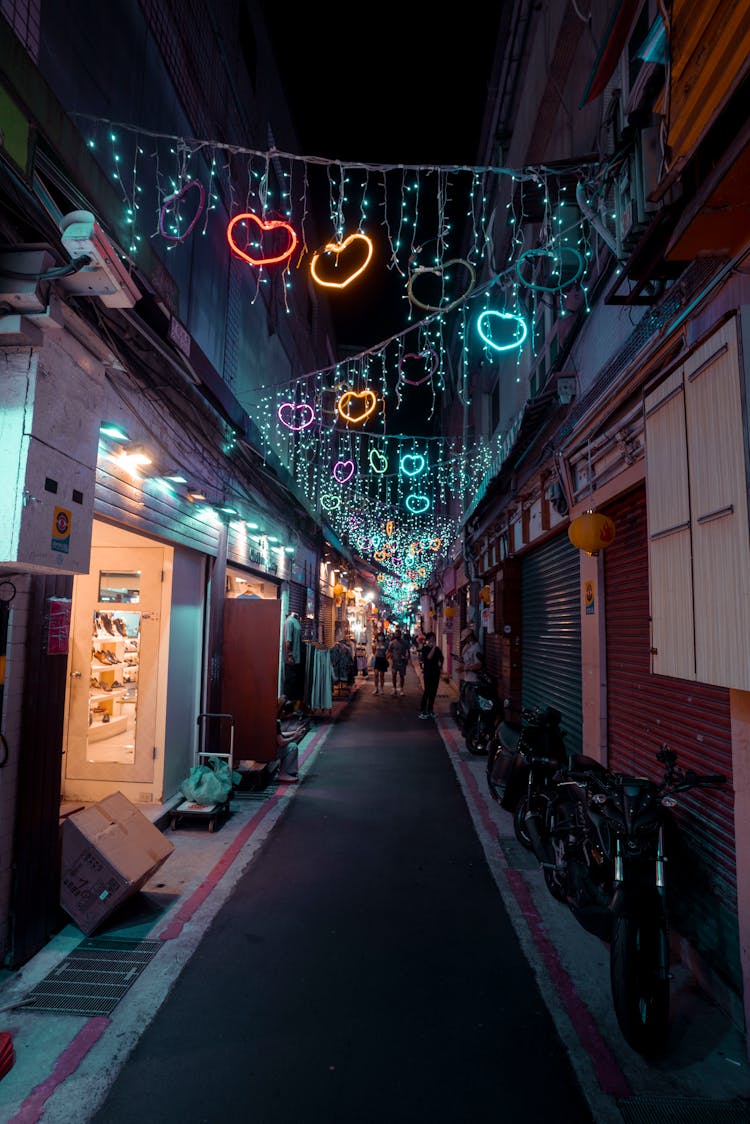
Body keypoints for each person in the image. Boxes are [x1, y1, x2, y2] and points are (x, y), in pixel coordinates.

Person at [275, 696, 306, 783]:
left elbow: (279, 734)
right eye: (289, 715)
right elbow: (281, 742)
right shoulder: (276, 722)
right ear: (283, 712)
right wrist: (294, 737)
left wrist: (294, 732)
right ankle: (283, 774)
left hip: (262, 751)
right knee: (292, 747)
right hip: (268, 753)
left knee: (290, 745)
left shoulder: (272, 718)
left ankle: (287, 772)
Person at [418, 631, 444, 719]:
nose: (433, 640)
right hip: (428, 673)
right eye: (431, 639)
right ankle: (422, 711)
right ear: (428, 640)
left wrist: (440, 664)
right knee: (427, 692)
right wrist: (433, 648)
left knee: (433, 692)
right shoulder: (425, 649)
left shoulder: (437, 649)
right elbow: (429, 657)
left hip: (435, 673)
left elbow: (441, 658)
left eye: (434, 639)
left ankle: (430, 710)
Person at [459, 625, 482, 713]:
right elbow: (468, 661)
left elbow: (478, 665)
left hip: (473, 680)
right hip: (468, 679)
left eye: (466, 639)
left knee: (471, 703)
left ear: (470, 636)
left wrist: (466, 668)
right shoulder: (469, 647)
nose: (465, 641)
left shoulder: (476, 648)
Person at [386, 626, 410, 696]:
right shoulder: (392, 643)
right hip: (394, 662)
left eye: (398, 634)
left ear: (400, 635)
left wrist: (407, 658)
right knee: (394, 675)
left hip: (402, 662)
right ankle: (394, 689)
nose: (397, 635)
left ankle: (401, 689)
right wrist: (388, 657)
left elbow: (408, 651)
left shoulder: (405, 642)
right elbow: (389, 651)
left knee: (402, 676)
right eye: (396, 634)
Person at [371, 627, 389, 695]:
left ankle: (381, 688)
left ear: (383, 637)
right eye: (379, 636)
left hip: (383, 659)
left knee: (382, 675)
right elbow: (373, 650)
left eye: (381, 636)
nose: (380, 637)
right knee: (376, 674)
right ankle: (376, 688)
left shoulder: (386, 643)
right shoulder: (376, 643)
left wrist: (387, 657)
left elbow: (389, 651)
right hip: (377, 659)